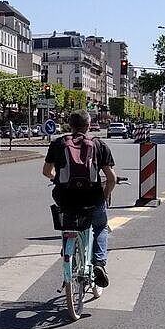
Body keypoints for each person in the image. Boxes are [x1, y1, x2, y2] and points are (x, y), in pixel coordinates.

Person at [42, 110, 117, 287]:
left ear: (70, 125)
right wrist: (104, 197)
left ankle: (69, 249)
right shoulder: (99, 145)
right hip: (92, 198)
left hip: (66, 198)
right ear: (88, 125)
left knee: (69, 226)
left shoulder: (59, 143)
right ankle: (99, 263)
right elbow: (111, 178)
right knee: (100, 227)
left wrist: (57, 178)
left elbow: (46, 171)